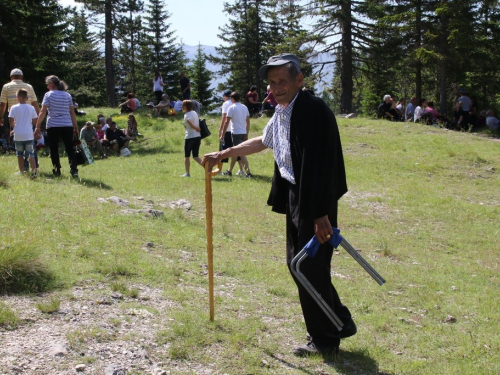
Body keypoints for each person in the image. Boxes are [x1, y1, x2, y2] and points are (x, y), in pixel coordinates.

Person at [202, 53, 356, 357]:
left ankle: (326, 338)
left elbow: (323, 165)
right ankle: (339, 321)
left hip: (315, 201)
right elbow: (264, 140)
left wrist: (322, 214)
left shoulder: (313, 111)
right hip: (298, 197)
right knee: (301, 265)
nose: (276, 87)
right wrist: (224, 153)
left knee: (308, 268)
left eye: (282, 81)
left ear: (299, 80)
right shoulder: (285, 109)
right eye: (272, 82)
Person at [35, 75, 80, 178]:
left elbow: (43, 111)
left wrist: (37, 125)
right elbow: (72, 113)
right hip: (66, 124)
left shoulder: (48, 95)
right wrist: (75, 127)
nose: (47, 86)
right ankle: (74, 170)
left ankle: (57, 170)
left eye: (47, 84)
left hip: (53, 125)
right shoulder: (67, 95)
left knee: (54, 149)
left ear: (51, 83)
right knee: (70, 148)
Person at [0, 68, 39, 148]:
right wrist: (38, 118)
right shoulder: (29, 87)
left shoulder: (6, 87)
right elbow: (35, 103)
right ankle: (31, 157)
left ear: (11, 77)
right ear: (22, 77)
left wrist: (1, 117)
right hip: (28, 118)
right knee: (29, 140)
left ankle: (21, 158)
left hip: (14, 118)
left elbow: (2, 104)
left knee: (18, 142)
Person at [220, 92, 252, 177]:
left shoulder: (232, 108)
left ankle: (248, 173)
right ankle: (229, 171)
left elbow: (226, 122)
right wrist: (247, 133)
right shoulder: (244, 107)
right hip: (243, 132)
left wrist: (222, 134)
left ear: (232, 99)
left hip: (236, 133)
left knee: (240, 152)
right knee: (235, 152)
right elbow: (248, 121)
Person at [9, 89, 38, 177]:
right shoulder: (31, 107)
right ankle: (34, 171)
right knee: (30, 153)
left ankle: (22, 171)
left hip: (18, 134)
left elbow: (11, 120)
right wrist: (30, 124)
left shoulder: (14, 107)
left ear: (17, 97)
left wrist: (15, 127)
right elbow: (35, 120)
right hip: (28, 134)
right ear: (27, 98)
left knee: (19, 154)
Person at [218, 90, 244, 175]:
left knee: (223, 151)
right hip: (236, 130)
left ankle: (219, 170)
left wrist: (221, 129)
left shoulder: (226, 104)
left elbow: (224, 117)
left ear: (226, 96)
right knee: (237, 150)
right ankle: (241, 169)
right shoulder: (239, 105)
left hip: (227, 130)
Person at [181, 100, 202, 177]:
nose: (182, 107)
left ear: (187, 106)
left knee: (186, 156)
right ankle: (208, 168)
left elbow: (190, 123)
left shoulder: (187, 115)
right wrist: (198, 129)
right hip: (197, 137)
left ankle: (187, 173)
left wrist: (197, 128)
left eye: (183, 105)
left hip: (190, 137)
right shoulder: (194, 112)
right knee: (196, 156)